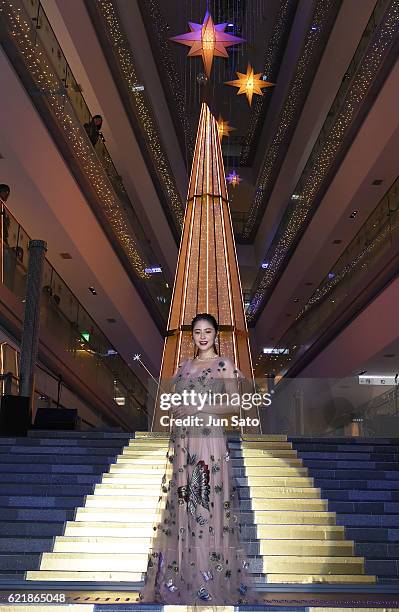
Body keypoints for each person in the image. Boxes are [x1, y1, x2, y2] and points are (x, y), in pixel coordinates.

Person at [138, 312, 258, 606]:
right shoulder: (185, 366)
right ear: (192, 336)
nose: (202, 336)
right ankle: (182, 579)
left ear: (217, 335)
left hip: (209, 441)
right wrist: (181, 411)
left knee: (207, 504)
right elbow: (178, 402)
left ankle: (210, 576)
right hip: (184, 442)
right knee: (183, 507)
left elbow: (234, 406)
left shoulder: (224, 365)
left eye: (207, 331)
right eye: (197, 332)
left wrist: (198, 407)